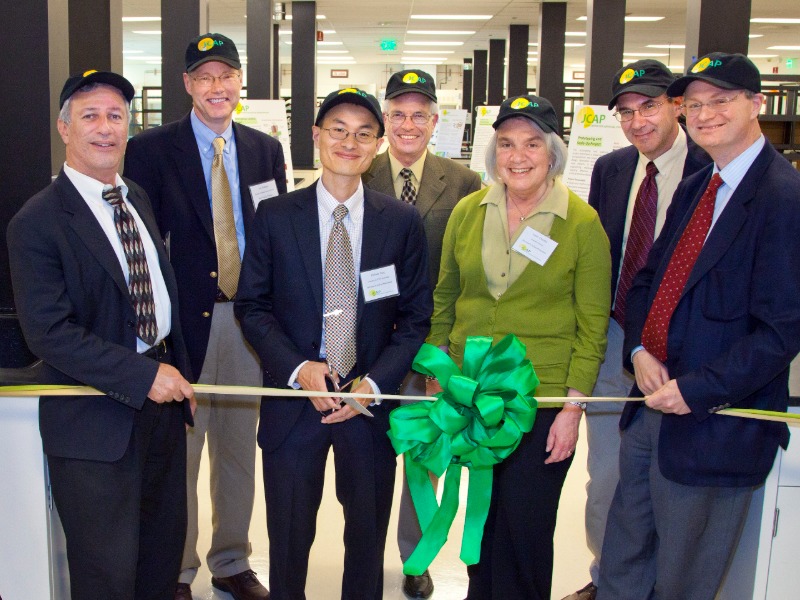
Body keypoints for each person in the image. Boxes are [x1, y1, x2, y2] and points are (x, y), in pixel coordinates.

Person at [597, 53, 800, 600]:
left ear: (757, 104)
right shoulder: (697, 186)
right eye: (695, 104)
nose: (705, 114)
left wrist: (697, 390)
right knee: (622, 560)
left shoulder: (784, 198)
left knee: (683, 578)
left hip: (714, 425)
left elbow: (782, 331)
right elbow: (646, 280)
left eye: (721, 100)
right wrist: (637, 350)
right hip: (649, 409)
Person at [234, 88, 432, 600]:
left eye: (364, 133)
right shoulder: (276, 215)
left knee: (366, 538)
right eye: (338, 130)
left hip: (367, 406)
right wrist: (298, 367)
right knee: (289, 535)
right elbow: (252, 306)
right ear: (316, 136)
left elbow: (415, 317)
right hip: (294, 403)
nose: (350, 142)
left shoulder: (400, 222)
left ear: (378, 145)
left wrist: (375, 383)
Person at [7, 70, 195, 599]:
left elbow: (158, 293)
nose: (105, 128)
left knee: (161, 558)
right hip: (94, 421)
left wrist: (173, 373)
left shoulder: (135, 197)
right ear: (64, 129)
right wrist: (143, 376)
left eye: (116, 116)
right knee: (106, 573)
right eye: (90, 116)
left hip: (160, 411)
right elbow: (48, 333)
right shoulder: (37, 222)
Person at [427, 95, 610, 600]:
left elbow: (592, 325)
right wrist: (437, 367)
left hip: (541, 399)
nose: (518, 156)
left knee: (526, 526)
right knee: (483, 518)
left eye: (532, 144)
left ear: (553, 152)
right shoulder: (468, 212)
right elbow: (446, 296)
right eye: (506, 144)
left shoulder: (581, 223)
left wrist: (573, 408)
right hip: (475, 395)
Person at [124, 32, 286, 600]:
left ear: (240, 82)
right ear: (188, 85)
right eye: (205, 77)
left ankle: (232, 561)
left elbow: (275, 235)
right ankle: (177, 568)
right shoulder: (150, 150)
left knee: (238, 448)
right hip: (183, 325)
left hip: (248, 321)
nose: (217, 87)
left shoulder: (265, 150)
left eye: (226, 76)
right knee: (183, 450)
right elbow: (141, 242)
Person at [563, 59, 710, 600]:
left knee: (668, 478)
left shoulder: (708, 167)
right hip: (616, 338)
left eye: (649, 106)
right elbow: (598, 257)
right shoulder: (612, 169)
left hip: (680, 348)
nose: (637, 121)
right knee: (606, 475)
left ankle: (659, 584)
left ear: (677, 106)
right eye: (625, 112)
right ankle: (607, 578)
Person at [362, 68, 481, 600]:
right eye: (398, 114)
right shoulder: (359, 169)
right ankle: (364, 554)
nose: (408, 125)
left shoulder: (463, 183)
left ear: (436, 121)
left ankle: (416, 557)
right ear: (385, 120)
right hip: (368, 341)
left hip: (432, 343)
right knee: (369, 455)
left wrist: (449, 345)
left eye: (419, 115)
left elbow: (465, 268)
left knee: (425, 456)